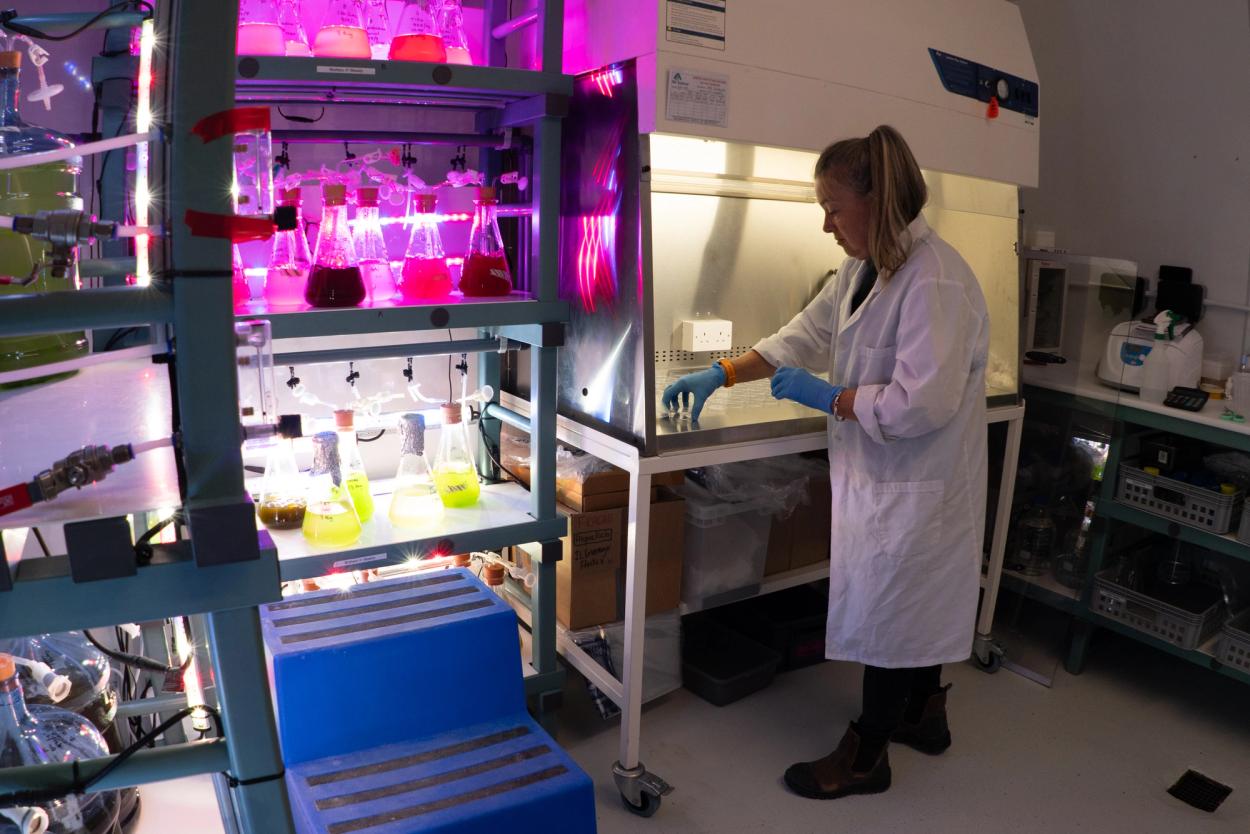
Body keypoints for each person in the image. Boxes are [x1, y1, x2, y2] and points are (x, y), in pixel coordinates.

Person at [662, 125, 989, 800]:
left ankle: (867, 756)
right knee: (909, 601)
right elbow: (801, 337)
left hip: (919, 481)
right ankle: (925, 716)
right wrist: (721, 373)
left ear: (879, 201)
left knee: (896, 609)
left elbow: (919, 407)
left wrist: (833, 397)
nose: (826, 224)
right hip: (889, 477)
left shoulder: (937, 282)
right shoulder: (862, 269)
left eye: (834, 208)